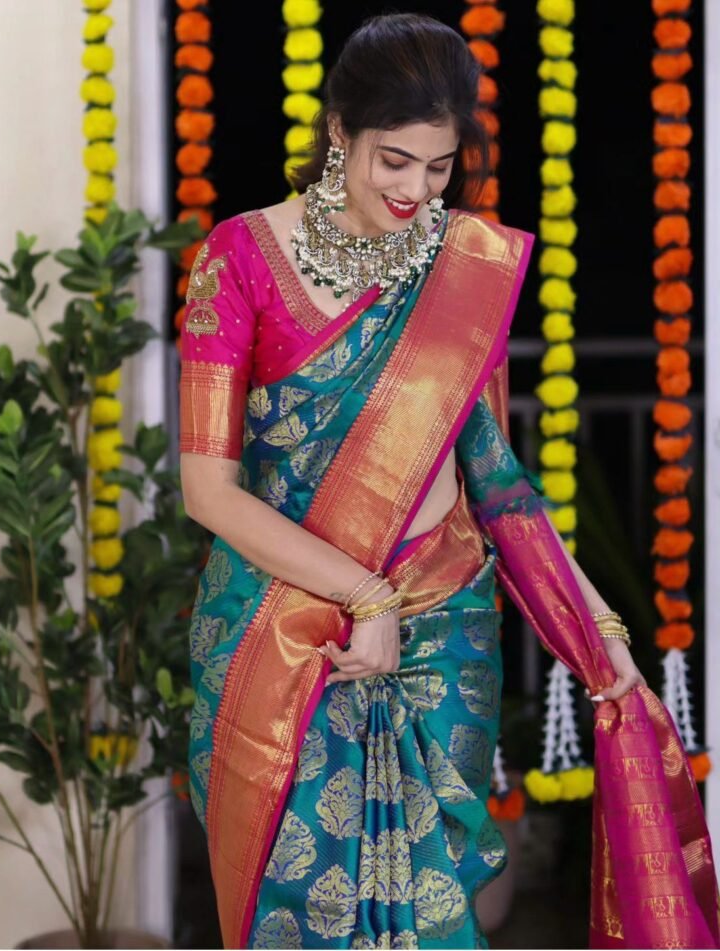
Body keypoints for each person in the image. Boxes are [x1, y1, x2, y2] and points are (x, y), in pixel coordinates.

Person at [179, 13, 719, 950]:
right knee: (296, 918)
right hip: (284, 633)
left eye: (437, 167)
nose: (415, 190)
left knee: (436, 917)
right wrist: (364, 594)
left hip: (443, 636)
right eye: (393, 161)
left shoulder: (459, 266)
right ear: (339, 130)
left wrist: (597, 629)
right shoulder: (241, 257)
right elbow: (208, 490)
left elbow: (496, 482)